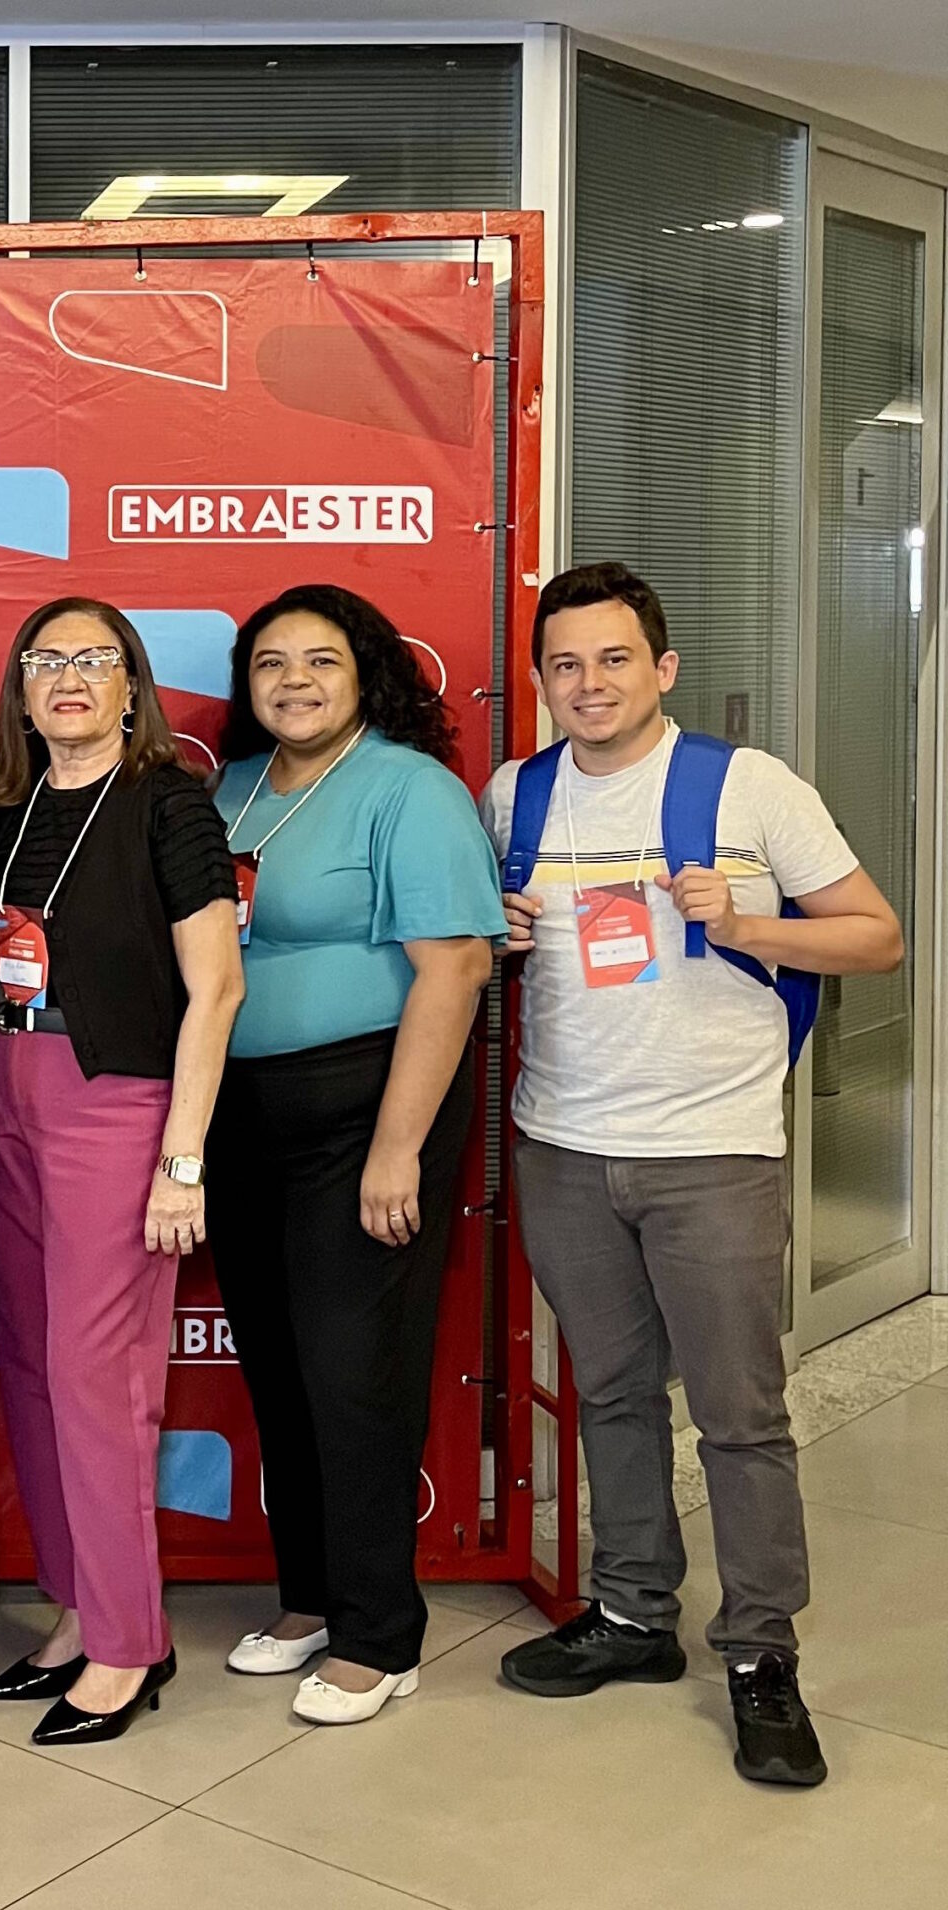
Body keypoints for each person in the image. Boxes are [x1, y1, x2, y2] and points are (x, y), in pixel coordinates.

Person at [485, 563, 900, 1788]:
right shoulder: (514, 792)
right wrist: (501, 934)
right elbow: (490, 948)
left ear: (660, 667)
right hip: (563, 1144)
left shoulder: (748, 786)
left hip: (714, 1151)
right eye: (565, 663)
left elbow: (876, 936)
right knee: (611, 1393)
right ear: (541, 678)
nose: (589, 683)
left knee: (738, 1413)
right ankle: (631, 1611)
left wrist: (748, 923)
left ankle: (761, 1651)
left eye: (613, 658)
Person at [206, 583, 501, 1727]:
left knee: (352, 1370)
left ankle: (380, 1632)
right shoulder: (231, 789)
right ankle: (310, 1597)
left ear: (365, 672)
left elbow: (456, 968)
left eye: (319, 660)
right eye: (269, 662)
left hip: (365, 1112)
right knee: (280, 1369)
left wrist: (396, 1147)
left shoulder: (407, 788)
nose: (293, 680)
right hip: (242, 1116)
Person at [0, 599, 244, 1746]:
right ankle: (80, 1607)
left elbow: (216, 988)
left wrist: (181, 1159)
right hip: (2, 1090)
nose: (70, 677)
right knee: (35, 1369)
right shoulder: (5, 808)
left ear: (131, 686)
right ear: (22, 691)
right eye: (47, 659)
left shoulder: (169, 803)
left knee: (98, 1377)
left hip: (117, 1102)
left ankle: (131, 1640)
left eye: (95, 659)